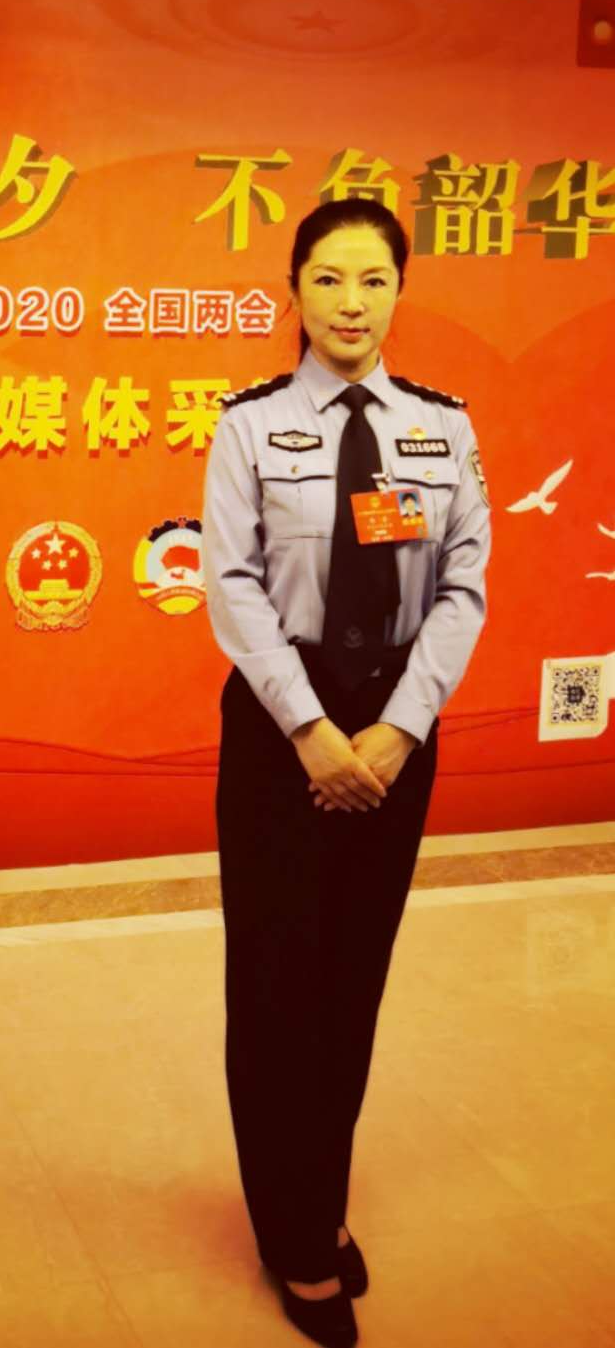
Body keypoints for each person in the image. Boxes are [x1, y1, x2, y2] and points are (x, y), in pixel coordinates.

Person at [201, 197, 491, 1348]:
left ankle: (317, 1198)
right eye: (328, 278)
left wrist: (401, 729)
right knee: (277, 987)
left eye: (373, 279)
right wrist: (314, 731)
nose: (352, 302)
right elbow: (232, 587)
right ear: (294, 290)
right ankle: (294, 1237)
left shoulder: (442, 429)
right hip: (283, 732)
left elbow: (463, 586)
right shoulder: (249, 428)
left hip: (397, 730)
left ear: (401, 290)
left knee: (350, 984)